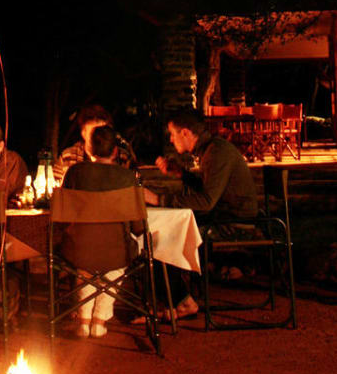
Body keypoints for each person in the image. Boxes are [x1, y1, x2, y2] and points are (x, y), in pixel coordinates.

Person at [142, 107, 258, 319]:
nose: (171, 139)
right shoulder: (211, 150)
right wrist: (181, 174)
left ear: (185, 133)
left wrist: (158, 199)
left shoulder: (217, 152)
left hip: (235, 225)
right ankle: (179, 297)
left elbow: (206, 202)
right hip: (227, 218)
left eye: (172, 134)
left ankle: (182, 302)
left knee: (164, 240)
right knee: (166, 236)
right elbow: (210, 190)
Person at [60, 126, 140, 337]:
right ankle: (99, 319)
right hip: (116, 250)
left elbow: (63, 215)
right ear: (115, 151)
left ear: (90, 149)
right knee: (114, 266)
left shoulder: (75, 173)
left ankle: (84, 320)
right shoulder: (127, 178)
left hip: (79, 249)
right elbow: (138, 227)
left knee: (86, 266)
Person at [54, 104, 136, 183]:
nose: (100, 137)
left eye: (104, 132)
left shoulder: (123, 158)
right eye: (94, 133)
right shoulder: (68, 157)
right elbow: (55, 188)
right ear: (84, 132)